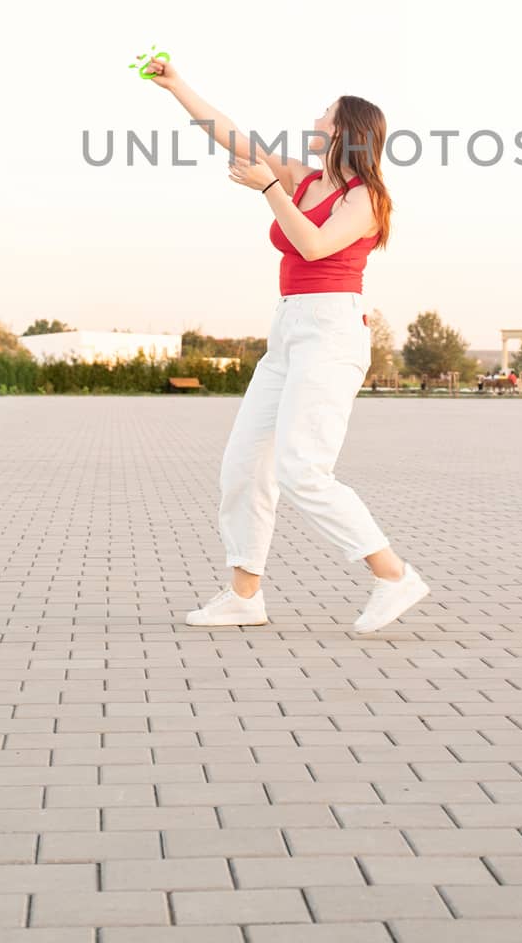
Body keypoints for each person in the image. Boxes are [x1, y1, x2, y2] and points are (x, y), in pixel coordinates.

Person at [144, 59, 431, 635]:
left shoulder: (366, 199)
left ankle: (393, 574)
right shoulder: (304, 177)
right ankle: (244, 595)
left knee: (303, 469)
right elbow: (230, 133)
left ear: (346, 131)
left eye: (323, 115)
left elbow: (316, 244)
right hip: (290, 330)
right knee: (245, 465)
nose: (314, 120)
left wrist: (271, 188)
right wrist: (176, 86)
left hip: (332, 332)